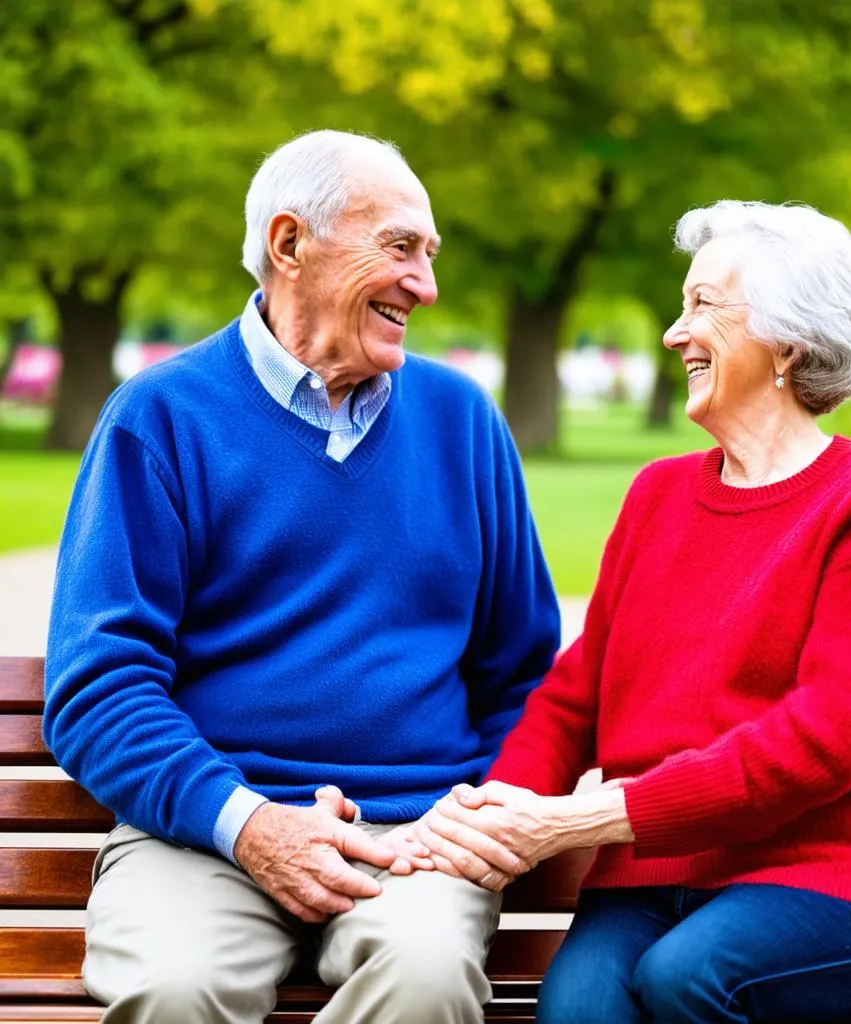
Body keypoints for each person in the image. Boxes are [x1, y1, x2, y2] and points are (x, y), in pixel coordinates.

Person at [42, 129, 560, 1024]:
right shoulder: (159, 420)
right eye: (399, 247)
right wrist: (247, 822)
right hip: (203, 829)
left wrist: (479, 815)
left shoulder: (464, 424)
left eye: (430, 257)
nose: (426, 286)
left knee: (428, 976)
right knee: (174, 988)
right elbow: (97, 687)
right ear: (290, 244)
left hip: (417, 834)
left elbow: (524, 674)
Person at [415, 201, 851, 1023]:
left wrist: (582, 817)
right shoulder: (658, 496)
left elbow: (821, 742)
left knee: (689, 976)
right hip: (647, 883)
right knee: (579, 1005)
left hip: (832, 885)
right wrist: (499, 814)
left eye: (703, 305)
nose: (675, 334)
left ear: (787, 339)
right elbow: (574, 698)